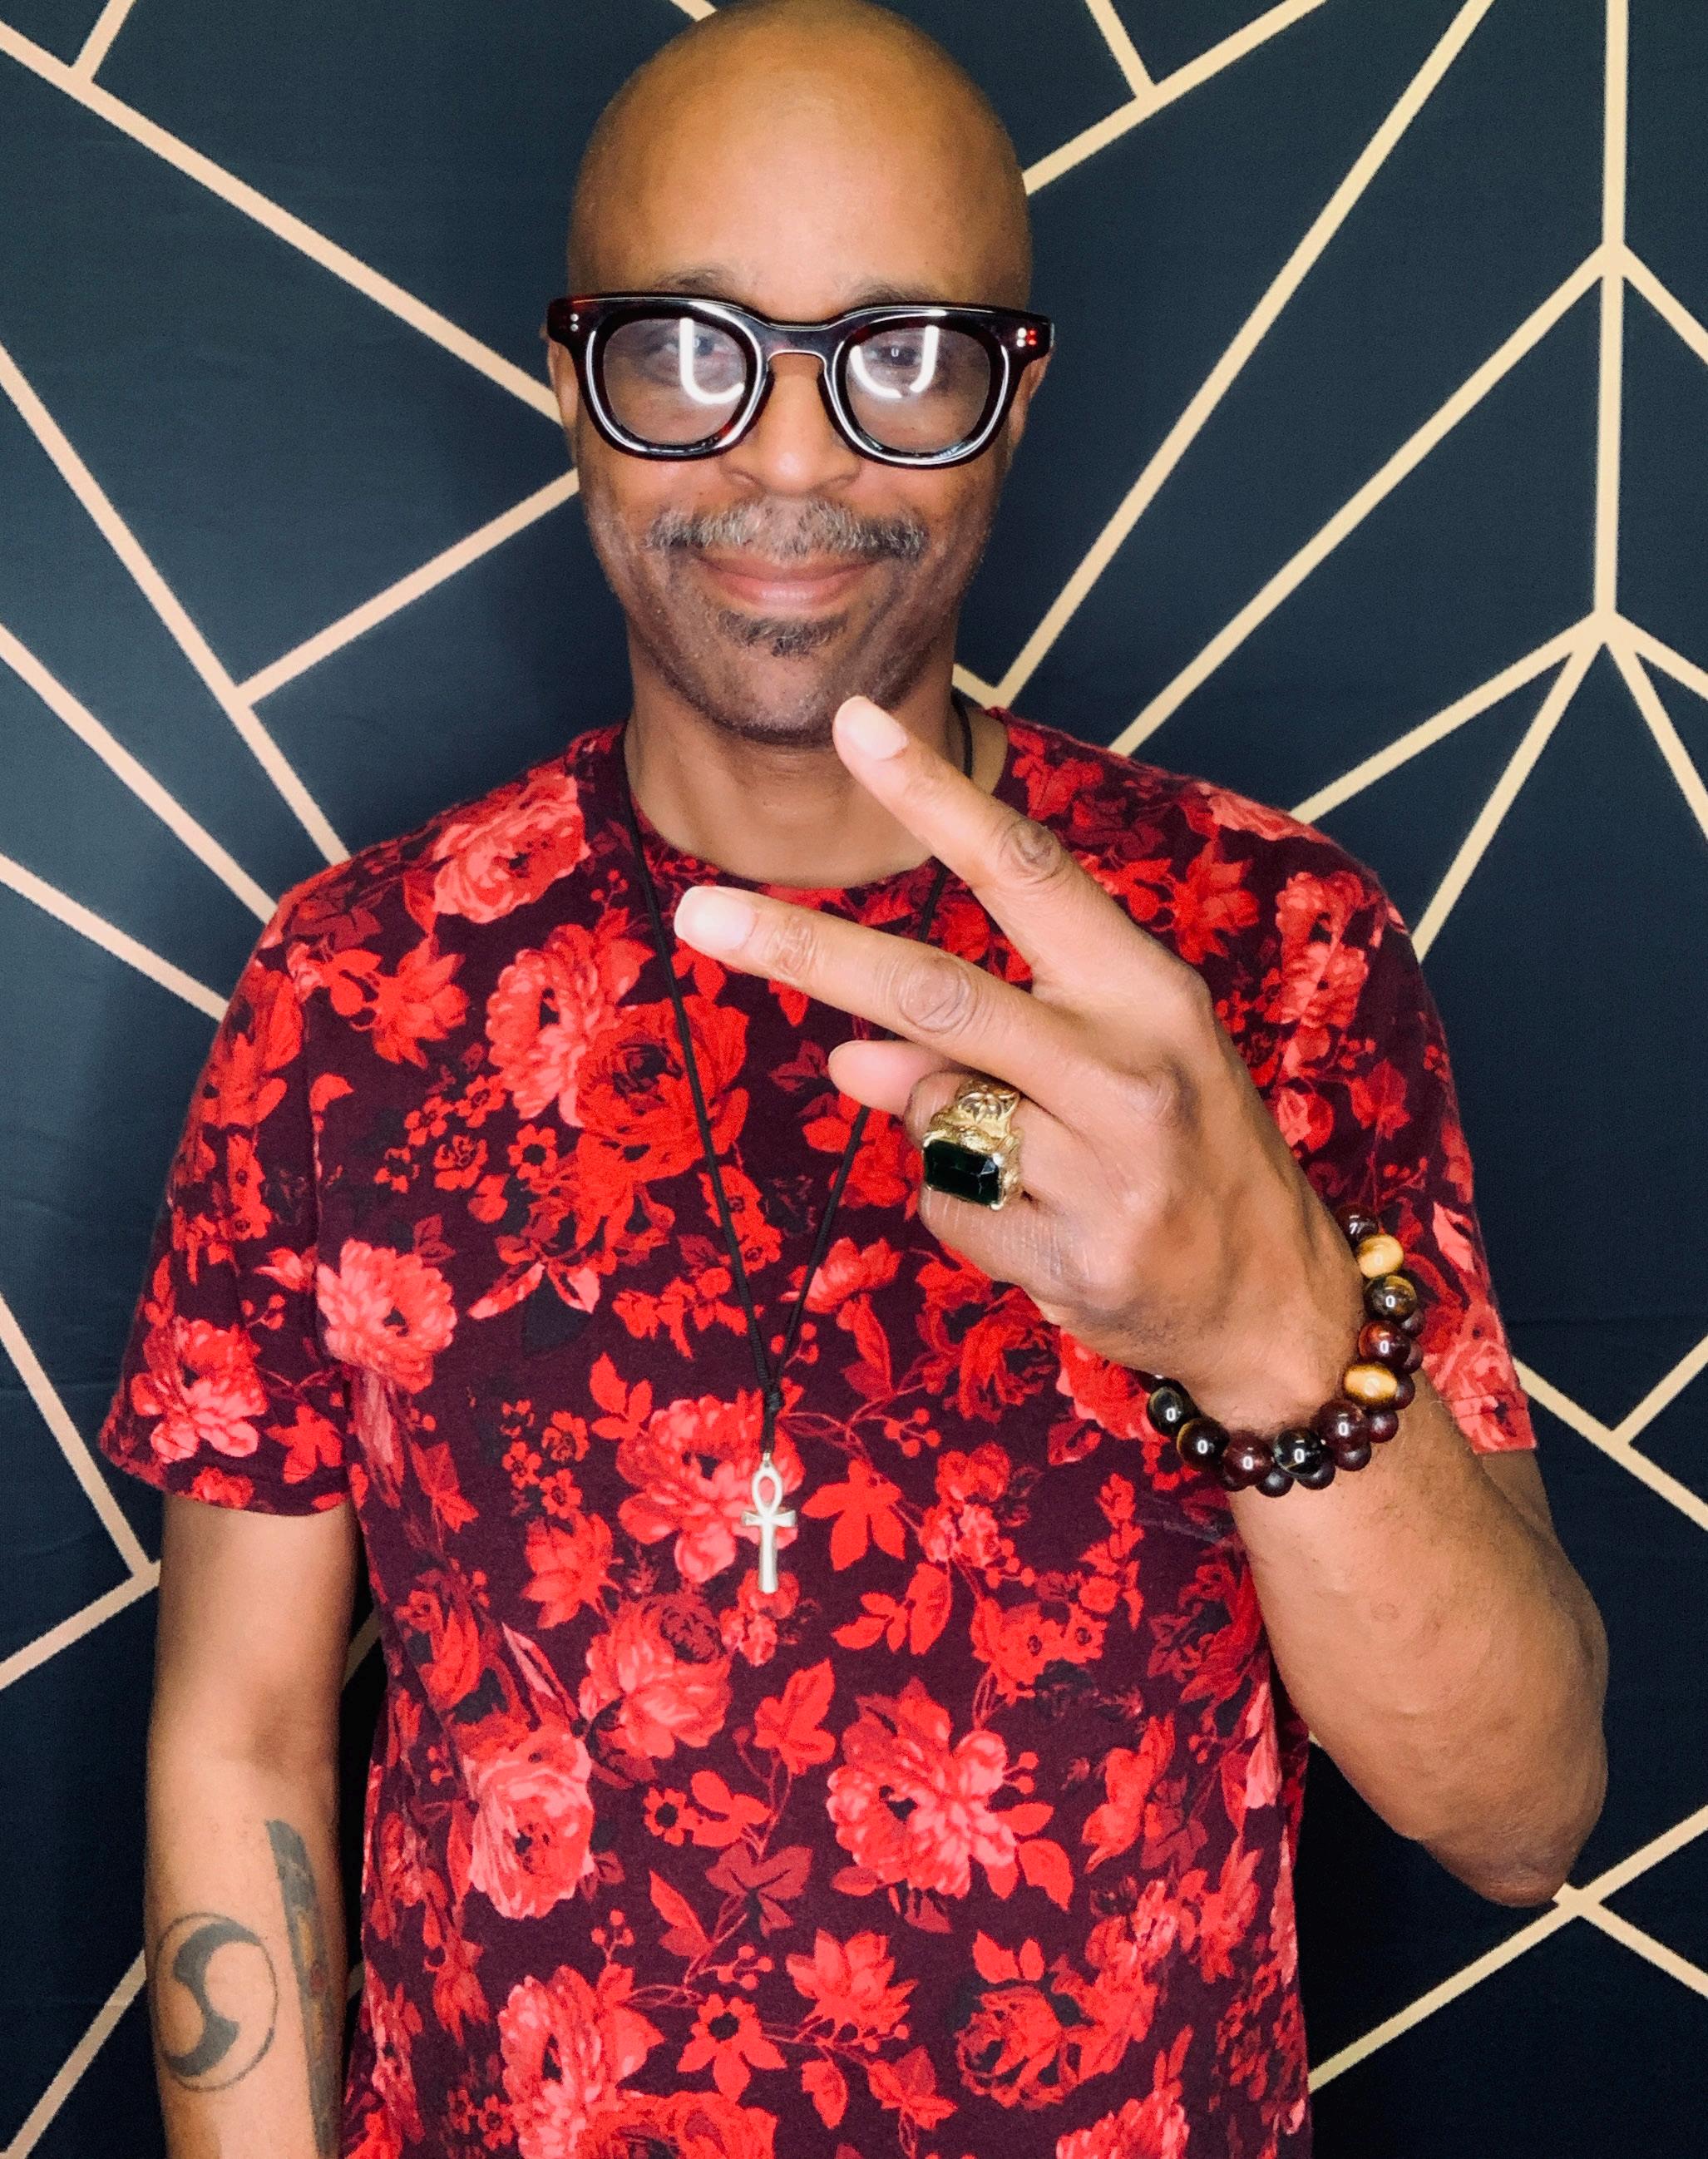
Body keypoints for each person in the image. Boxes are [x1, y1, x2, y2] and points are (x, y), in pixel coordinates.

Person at [96, 2, 1607, 2155]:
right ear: (572, 382)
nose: (792, 461)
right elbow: (242, 1735)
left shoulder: (1275, 956)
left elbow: (1522, 1818)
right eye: (687, 347)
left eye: (899, 355)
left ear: (1017, 395)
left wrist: (1262, 1327)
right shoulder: (354, 991)